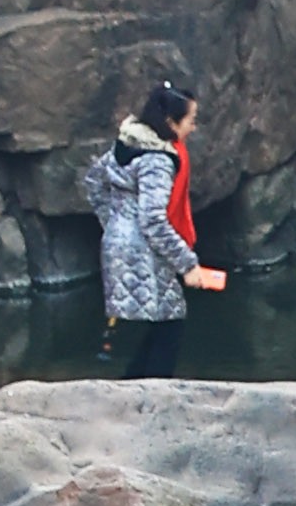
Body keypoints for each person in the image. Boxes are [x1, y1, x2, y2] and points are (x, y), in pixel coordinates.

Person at [85, 77, 226, 373]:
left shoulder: (125, 145)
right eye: (191, 120)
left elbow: (93, 182)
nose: (193, 127)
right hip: (143, 252)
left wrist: (114, 224)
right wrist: (188, 265)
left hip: (118, 247)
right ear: (171, 123)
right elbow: (153, 220)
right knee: (168, 325)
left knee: (144, 325)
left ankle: (129, 387)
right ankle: (151, 396)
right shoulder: (157, 161)